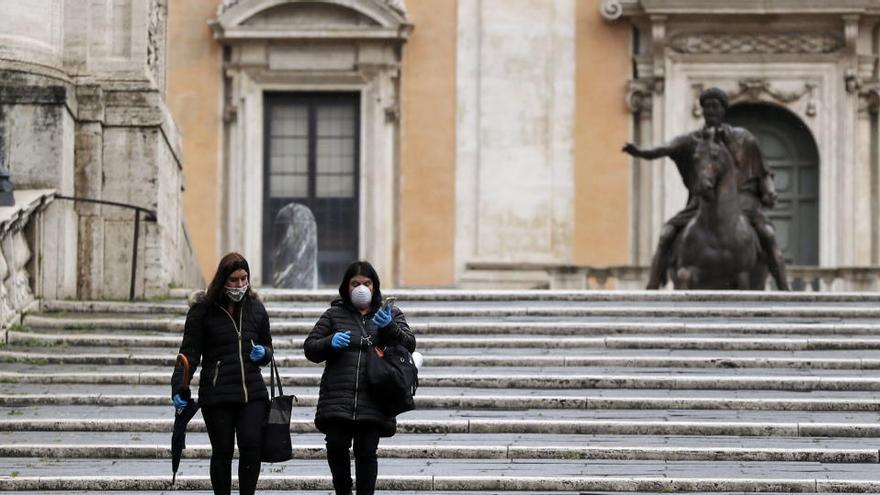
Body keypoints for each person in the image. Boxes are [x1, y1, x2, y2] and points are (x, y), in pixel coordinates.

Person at [623, 87, 789, 290]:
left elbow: (763, 170)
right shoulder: (693, 141)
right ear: (702, 110)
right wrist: (640, 152)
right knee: (666, 233)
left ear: (723, 109)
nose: (711, 111)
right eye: (707, 107)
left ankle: (784, 288)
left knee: (768, 234)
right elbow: (664, 148)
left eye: (716, 106)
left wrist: (769, 190)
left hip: (743, 201)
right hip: (701, 201)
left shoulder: (743, 138)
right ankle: (652, 285)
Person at [304, 261, 416, 495]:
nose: (361, 288)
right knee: (335, 446)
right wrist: (329, 342)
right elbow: (310, 348)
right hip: (338, 395)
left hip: (375, 396)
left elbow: (409, 344)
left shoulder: (389, 313)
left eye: (366, 283)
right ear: (346, 287)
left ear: (375, 287)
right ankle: (342, 490)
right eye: (355, 284)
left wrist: (390, 328)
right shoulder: (334, 314)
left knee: (366, 450)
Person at [170, 252, 274, 495]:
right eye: (234, 280)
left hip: (252, 393)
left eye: (244, 279)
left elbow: (268, 346)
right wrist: (178, 387)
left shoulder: (257, 309)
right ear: (222, 280)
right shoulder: (202, 311)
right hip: (217, 395)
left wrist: (265, 353)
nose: (240, 285)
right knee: (222, 451)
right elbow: (188, 353)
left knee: (251, 446)